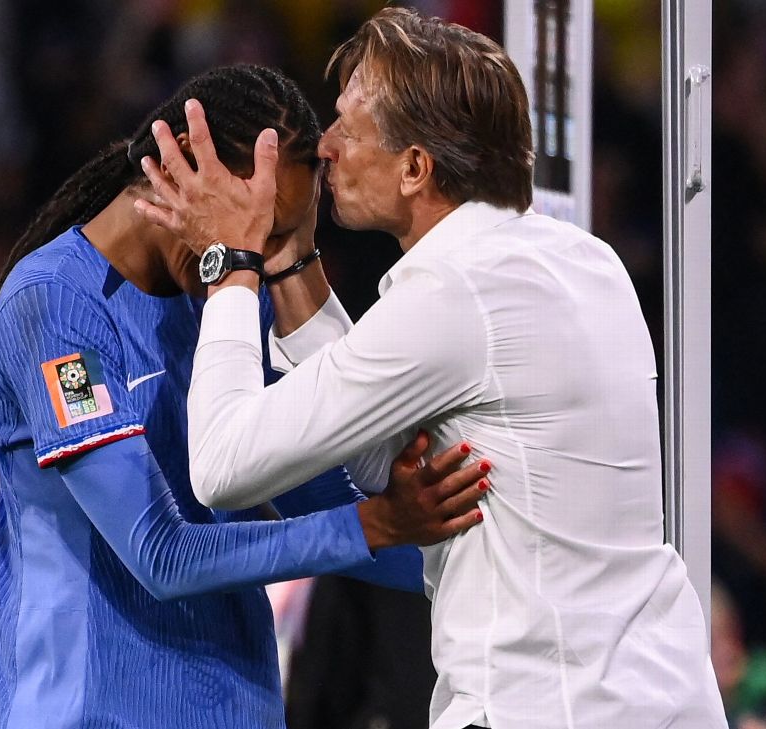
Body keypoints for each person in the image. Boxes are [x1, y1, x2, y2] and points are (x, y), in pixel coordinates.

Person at [135, 8, 727, 728]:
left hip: (542, 710)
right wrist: (291, 260)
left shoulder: (456, 294)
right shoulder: (583, 259)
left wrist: (233, 260)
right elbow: (375, 426)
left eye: (349, 127)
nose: (324, 146)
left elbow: (224, 461)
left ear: (416, 168)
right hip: (661, 697)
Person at [0, 64, 487, 729]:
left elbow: (323, 500)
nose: (267, 259)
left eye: (285, 240)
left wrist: (453, 533)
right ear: (183, 170)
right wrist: (377, 524)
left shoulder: (232, 299)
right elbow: (160, 553)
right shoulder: (52, 306)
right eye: (263, 235)